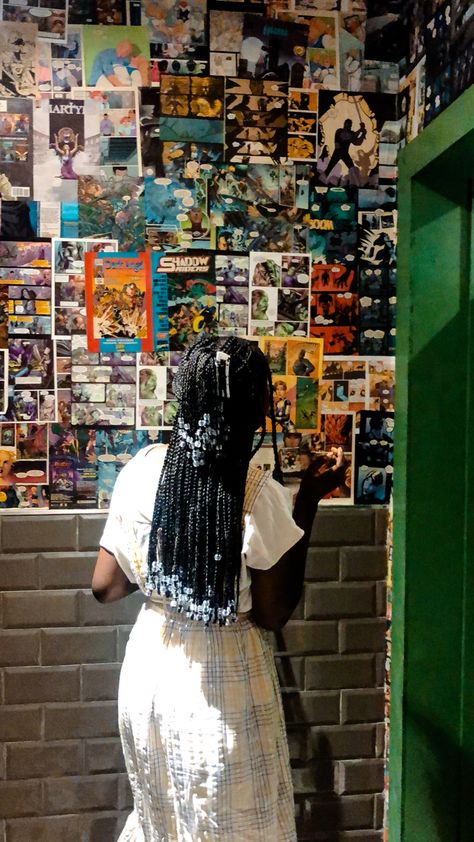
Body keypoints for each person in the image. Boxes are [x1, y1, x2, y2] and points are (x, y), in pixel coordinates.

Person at [92, 335, 345, 842]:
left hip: (149, 675)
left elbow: (105, 587)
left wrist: (167, 572)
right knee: (231, 823)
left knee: (163, 816)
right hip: (223, 682)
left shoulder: (142, 470)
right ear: (256, 408)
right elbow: (274, 613)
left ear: (185, 397)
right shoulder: (258, 493)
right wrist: (309, 500)